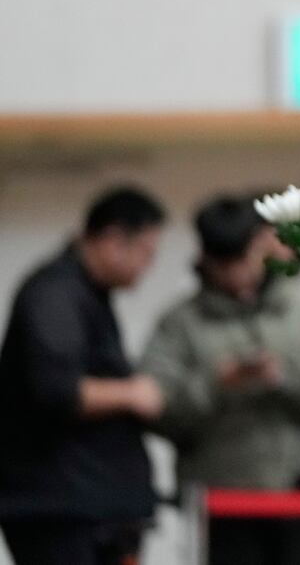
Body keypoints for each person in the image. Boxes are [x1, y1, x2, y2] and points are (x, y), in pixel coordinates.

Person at [140, 196, 300, 565]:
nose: (237, 275)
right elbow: (157, 412)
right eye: (224, 264)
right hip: (223, 504)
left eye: (243, 259)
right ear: (204, 258)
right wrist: (218, 385)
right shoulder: (179, 323)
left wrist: (283, 379)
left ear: (261, 246)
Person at [0, 188, 166, 565]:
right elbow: (58, 390)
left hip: (92, 504)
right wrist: (132, 393)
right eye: (146, 252)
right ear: (112, 240)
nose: (148, 265)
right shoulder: (55, 294)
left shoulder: (88, 292)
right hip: (61, 509)